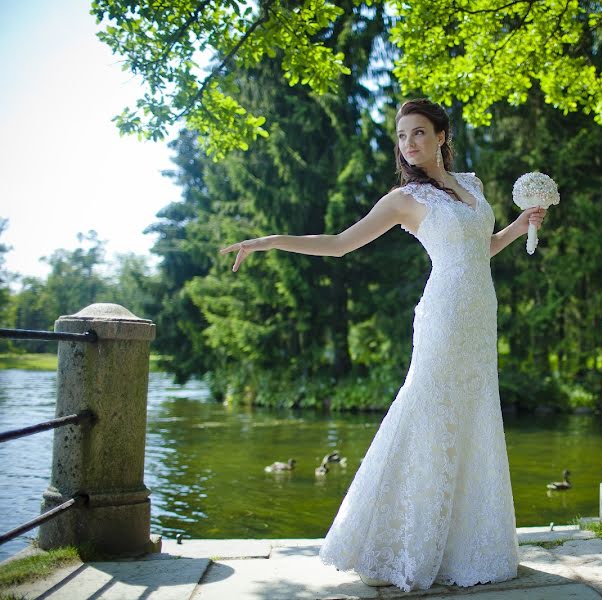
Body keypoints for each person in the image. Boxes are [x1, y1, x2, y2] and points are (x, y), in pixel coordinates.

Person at [220, 98, 546, 592]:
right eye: (401, 136)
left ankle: (464, 546)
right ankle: (404, 544)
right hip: (442, 315)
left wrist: (517, 228)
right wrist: (271, 241)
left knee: (473, 415)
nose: (408, 143)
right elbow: (339, 243)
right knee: (427, 412)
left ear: (441, 135)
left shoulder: (472, 186)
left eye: (417, 132)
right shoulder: (403, 200)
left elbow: (480, 250)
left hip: (479, 317)